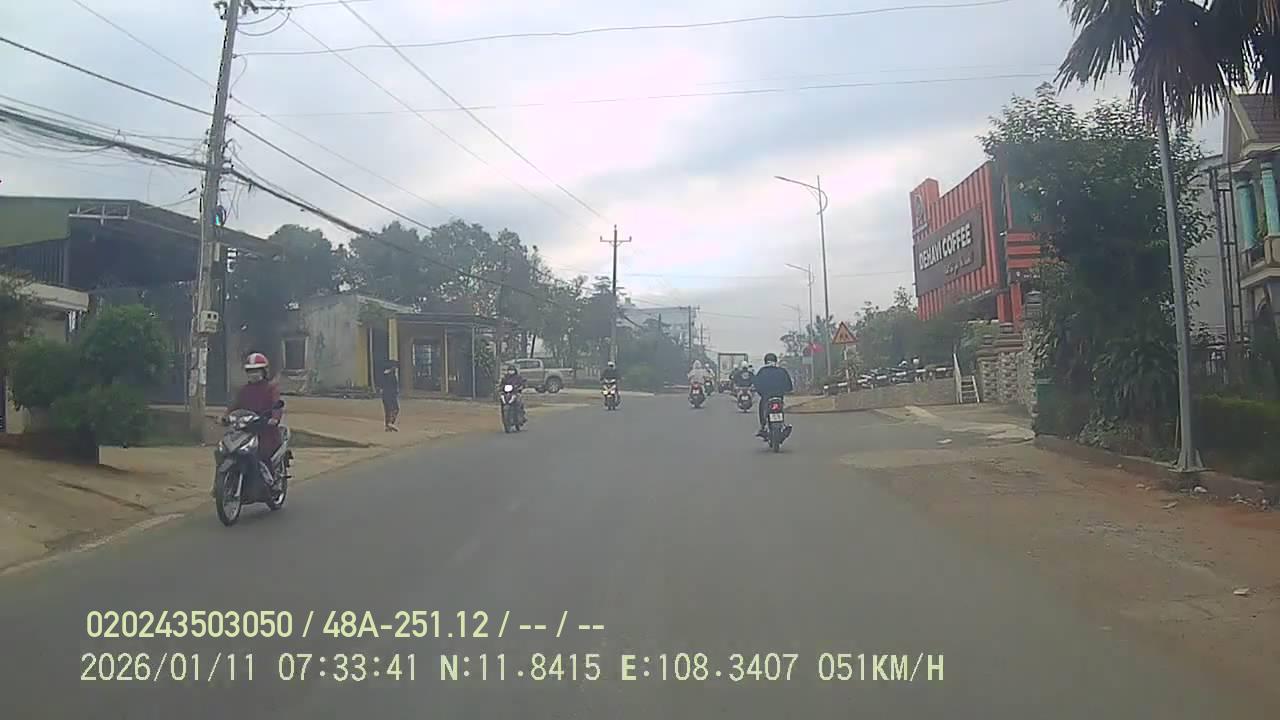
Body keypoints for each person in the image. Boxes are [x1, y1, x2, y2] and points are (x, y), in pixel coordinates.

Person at [220, 352, 283, 492]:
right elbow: (234, 406)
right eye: (250, 371)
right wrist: (225, 416)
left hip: (265, 430)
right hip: (245, 429)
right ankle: (221, 485)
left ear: (264, 371)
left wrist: (274, 418)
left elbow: (276, 405)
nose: (253, 374)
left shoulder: (271, 388)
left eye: (257, 371)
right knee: (224, 451)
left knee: (262, 453)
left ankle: (272, 483)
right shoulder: (244, 390)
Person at [752, 352, 794, 437]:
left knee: (762, 408)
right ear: (776, 361)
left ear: (765, 361)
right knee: (780, 408)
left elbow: (756, 384)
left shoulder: (762, 371)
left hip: (766, 397)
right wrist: (786, 391)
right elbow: (789, 386)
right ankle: (783, 425)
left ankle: (763, 426)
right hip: (779, 397)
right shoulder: (782, 371)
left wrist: (760, 392)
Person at [380, 362, 400, 432]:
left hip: (385, 395)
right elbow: (394, 386)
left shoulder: (384, 374)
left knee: (387, 411)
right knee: (395, 409)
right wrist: (396, 392)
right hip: (391, 395)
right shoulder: (392, 375)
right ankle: (390, 423)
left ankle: (387, 426)